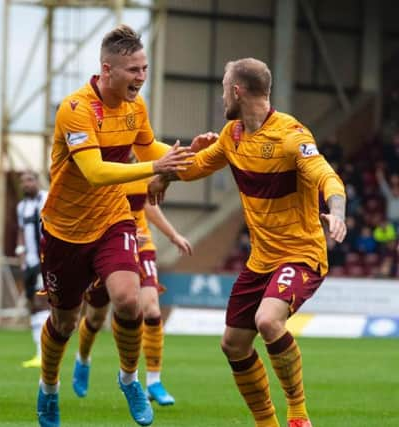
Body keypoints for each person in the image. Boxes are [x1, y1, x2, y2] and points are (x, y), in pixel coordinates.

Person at [148, 58, 347, 427]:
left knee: (268, 321)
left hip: (301, 255)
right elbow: (198, 165)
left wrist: (337, 210)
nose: (222, 95)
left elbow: (326, 175)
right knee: (233, 344)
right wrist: (166, 174)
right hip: (261, 261)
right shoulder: (233, 135)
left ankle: (299, 416)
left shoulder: (292, 135)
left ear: (237, 91)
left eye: (225, 88)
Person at [35, 24, 193, 427]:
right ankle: (49, 389)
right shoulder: (76, 108)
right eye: (133, 71)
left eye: (144, 69)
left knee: (129, 300)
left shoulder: (135, 107)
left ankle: (129, 379)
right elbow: (93, 171)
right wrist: (156, 166)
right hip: (65, 231)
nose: (141, 78)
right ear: (107, 70)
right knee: (65, 321)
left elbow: (149, 147)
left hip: (113, 219)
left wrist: (190, 151)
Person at [72, 174, 192, 406]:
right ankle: (83, 358)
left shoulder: (144, 167)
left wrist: (173, 235)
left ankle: (154, 381)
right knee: (95, 317)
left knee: (152, 311)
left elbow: (147, 202)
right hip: (106, 246)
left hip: (141, 245)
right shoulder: (99, 165)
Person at [16, 170, 50, 368]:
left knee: (42, 300)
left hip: (43, 260)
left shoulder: (46, 199)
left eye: (29, 180)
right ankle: (39, 351)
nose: (26, 184)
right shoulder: (21, 206)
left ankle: (43, 353)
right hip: (28, 262)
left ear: (37, 181)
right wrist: (20, 253)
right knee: (33, 304)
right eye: (23, 181)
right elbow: (21, 231)